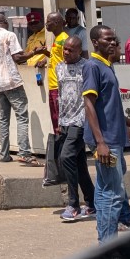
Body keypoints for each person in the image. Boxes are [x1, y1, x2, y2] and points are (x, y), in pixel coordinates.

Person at [83, 25, 130, 246]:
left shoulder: (107, 66)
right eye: (107, 39)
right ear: (95, 42)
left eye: (114, 39)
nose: (113, 42)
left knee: (106, 190)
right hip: (106, 142)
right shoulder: (93, 66)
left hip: (114, 138)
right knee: (112, 194)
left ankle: (106, 244)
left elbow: (110, 107)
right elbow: (89, 104)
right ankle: (108, 247)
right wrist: (100, 142)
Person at [0, 12, 46, 165]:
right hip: (12, 81)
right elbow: (17, 58)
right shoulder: (9, 35)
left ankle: (4, 154)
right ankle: (24, 153)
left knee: (3, 119)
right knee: (22, 117)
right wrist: (34, 53)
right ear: (5, 22)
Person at [55, 35, 96, 222]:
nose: (66, 52)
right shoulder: (59, 67)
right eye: (65, 49)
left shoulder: (87, 67)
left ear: (80, 51)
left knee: (66, 157)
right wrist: (59, 121)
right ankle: (92, 203)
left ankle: (73, 204)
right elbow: (61, 95)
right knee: (79, 164)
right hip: (65, 121)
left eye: (71, 50)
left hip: (80, 121)